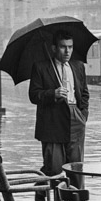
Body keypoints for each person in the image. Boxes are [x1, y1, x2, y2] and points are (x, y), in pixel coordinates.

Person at [29, 29, 89, 191]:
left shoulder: (77, 67)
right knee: (54, 169)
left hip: (75, 120)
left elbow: (84, 93)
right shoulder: (41, 67)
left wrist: (82, 116)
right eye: (63, 47)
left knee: (76, 169)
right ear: (54, 48)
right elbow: (33, 95)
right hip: (51, 123)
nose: (67, 51)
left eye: (70, 47)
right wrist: (52, 94)